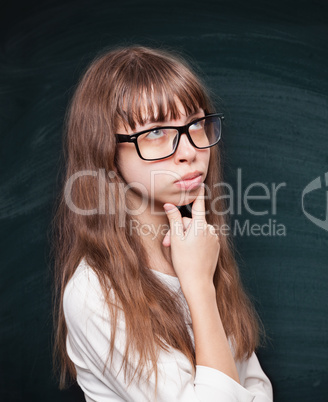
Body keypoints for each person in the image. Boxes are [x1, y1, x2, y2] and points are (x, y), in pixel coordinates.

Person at [52, 45, 273, 402]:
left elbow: (257, 387)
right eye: (156, 132)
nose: (189, 151)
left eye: (196, 124)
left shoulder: (197, 246)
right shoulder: (93, 293)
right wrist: (199, 285)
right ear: (106, 154)